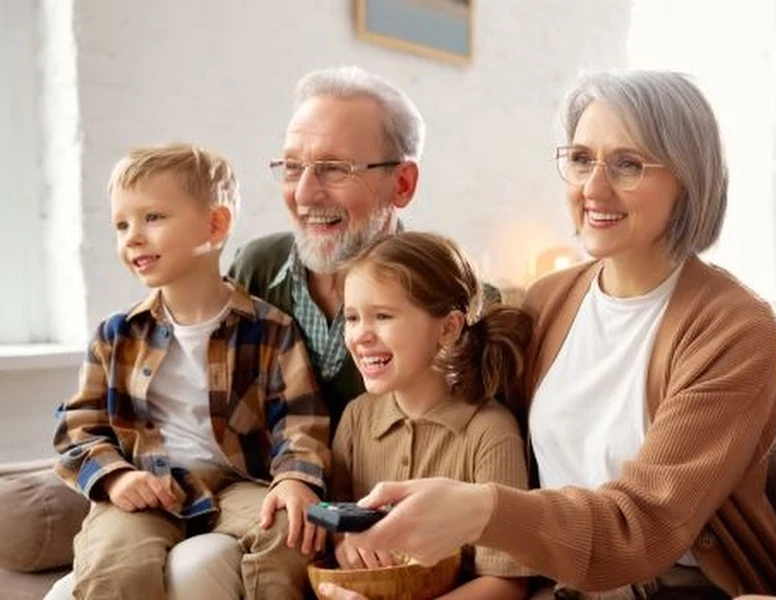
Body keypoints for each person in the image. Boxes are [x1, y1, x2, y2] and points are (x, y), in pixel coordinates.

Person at [319, 70, 776, 600]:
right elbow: (453, 383)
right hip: (561, 585)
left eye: (628, 164)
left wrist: (482, 510)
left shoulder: (734, 328)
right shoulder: (545, 302)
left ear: (689, 179)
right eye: (582, 159)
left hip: (685, 585)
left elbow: (644, 527)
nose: (593, 188)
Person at [51, 143, 331, 600]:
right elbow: (78, 426)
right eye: (121, 224)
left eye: (153, 217)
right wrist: (117, 477)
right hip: (149, 484)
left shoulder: (272, 329)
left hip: (245, 484)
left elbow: (301, 421)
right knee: (113, 565)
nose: (132, 237)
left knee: (293, 533)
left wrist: (296, 479)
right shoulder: (117, 334)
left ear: (215, 224)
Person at [316, 231, 535, 599]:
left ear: (448, 328)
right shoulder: (356, 419)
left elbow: (508, 582)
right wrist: (344, 544)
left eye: (383, 316)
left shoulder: (490, 432)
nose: (360, 336)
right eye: (352, 318)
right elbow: (336, 525)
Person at [228, 65, 424, 428]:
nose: (303, 193)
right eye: (291, 166)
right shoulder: (254, 269)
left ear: (402, 184)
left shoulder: (447, 299)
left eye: (334, 168)